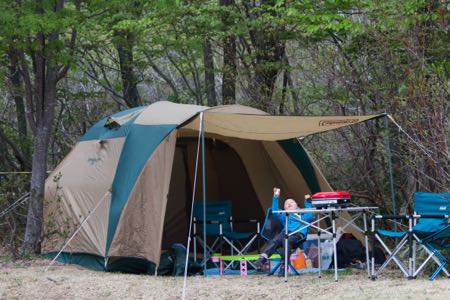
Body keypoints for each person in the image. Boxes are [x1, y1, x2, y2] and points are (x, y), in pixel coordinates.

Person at [255, 187, 314, 274]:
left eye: (291, 202)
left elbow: (311, 213)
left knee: (287, 240)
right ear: (284, 208)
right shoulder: (284, 215)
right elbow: (274, 211)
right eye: (286, 204)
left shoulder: (303, 215)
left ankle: (284, 264)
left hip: (298, 234)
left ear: (297, 206)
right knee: (276, 240)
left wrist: (308, 202)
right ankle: (262, 258)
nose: (288, 204)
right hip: (285, 233)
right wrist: (276, 197)